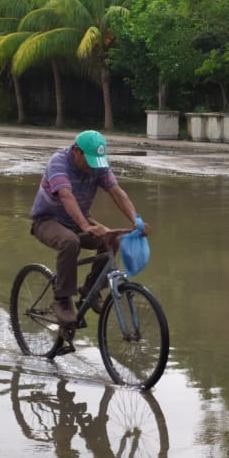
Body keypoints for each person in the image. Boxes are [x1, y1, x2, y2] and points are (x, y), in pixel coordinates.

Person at [30, 129, 145, 325]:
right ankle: (62, 300)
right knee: (70, 241)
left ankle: (91, 290)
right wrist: (85, 225)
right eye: (89, 161)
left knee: (112, 239)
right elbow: (66, 195)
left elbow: (116, 192)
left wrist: (136, 221)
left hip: (78, 219)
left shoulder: (97, 165)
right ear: (76, 151)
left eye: (96, 162)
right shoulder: (58, 162)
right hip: (47, 220)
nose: (93, 167)